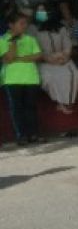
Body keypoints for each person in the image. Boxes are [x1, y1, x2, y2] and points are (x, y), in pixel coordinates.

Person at [1, 12, 44, 145]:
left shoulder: (30, 39)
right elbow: (8, 59)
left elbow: (38, 55)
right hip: (12, 79)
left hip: (30, 78)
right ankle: (21, 136)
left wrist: (20, 59)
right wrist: (13, 42)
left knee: (31, 108)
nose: (24, 26)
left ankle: (34, 134)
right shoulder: (2, 40)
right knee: (16, 109)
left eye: (25, 23)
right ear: (11, 25)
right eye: (21, 23)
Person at [34, 5, 78, 114]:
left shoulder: (61, 28)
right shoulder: (33, 29)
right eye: (39, 12)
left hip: (63, 60)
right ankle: (59, 100)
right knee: (47, 78)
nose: (42, 14)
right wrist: (48, 59)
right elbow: (34, 49)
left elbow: (67, 45)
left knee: (73, 73)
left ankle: (68, 103)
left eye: (44, 11)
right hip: (44, 62)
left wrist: (64, 57)